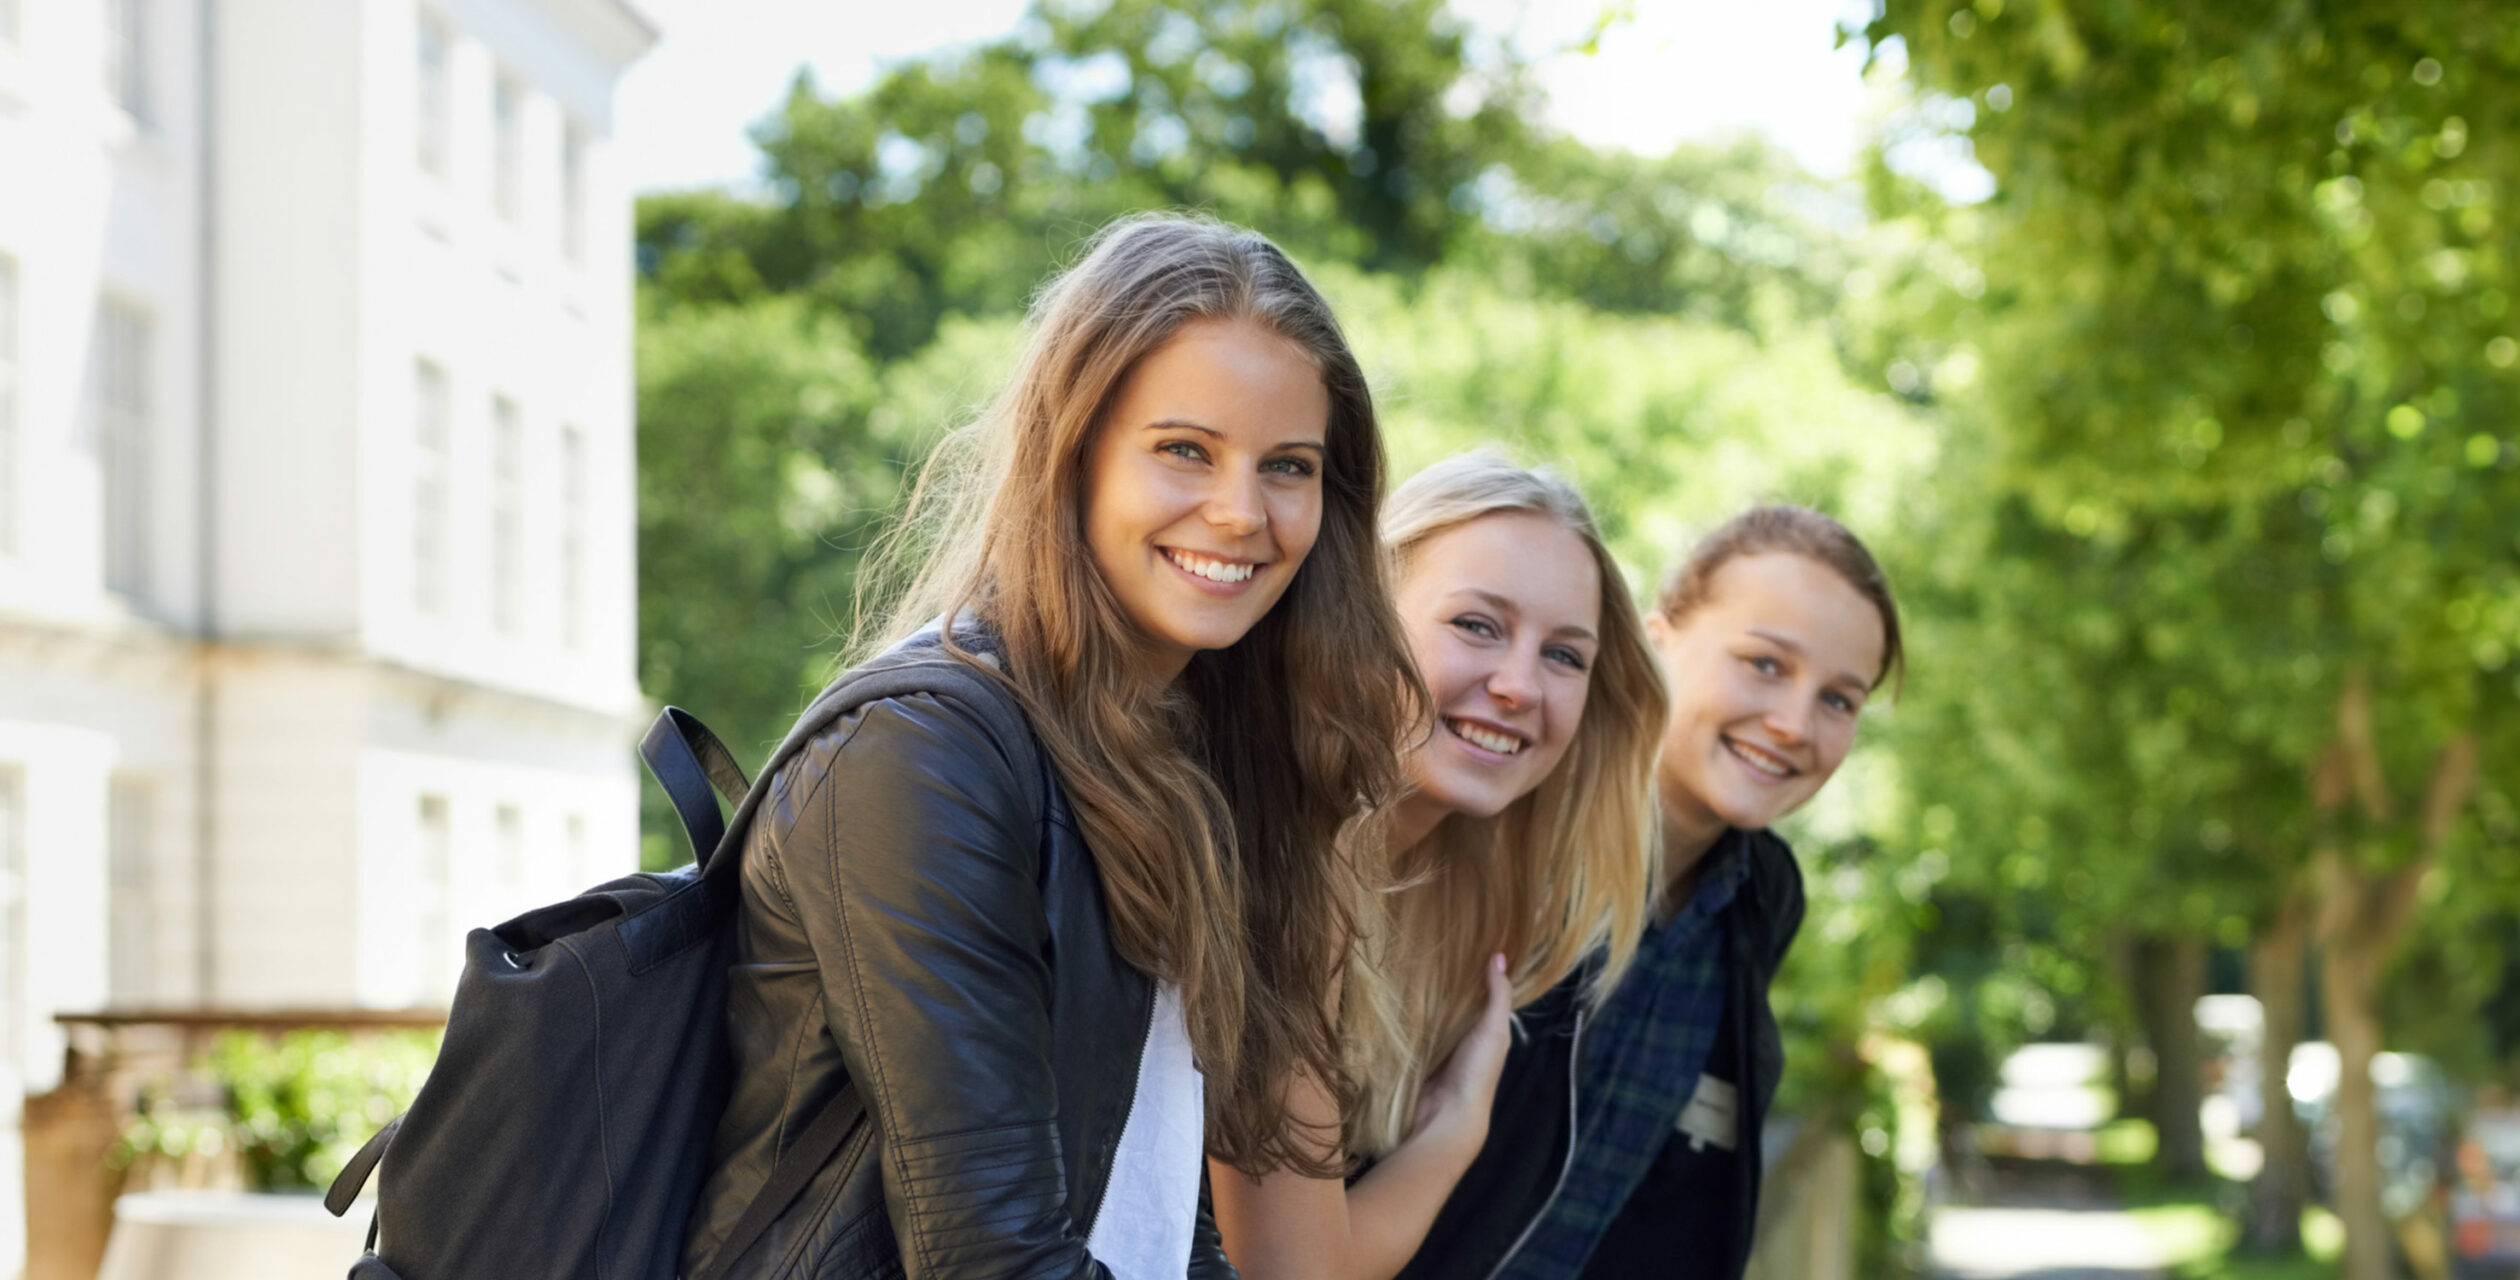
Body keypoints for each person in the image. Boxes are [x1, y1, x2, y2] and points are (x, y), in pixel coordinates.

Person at [681, 214, 1421, 1280]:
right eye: (1183, 449)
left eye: (1288, 466)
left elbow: (1155, 1211)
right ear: (1071, 449)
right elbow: (994, 1256)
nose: (1240, 511)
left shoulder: (1172, 766)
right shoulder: (926, 755)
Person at [1407, 503, 1904, 1280]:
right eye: (1765, 665)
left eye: (1839, 700)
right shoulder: (1500, 822)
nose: (1794, 723)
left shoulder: (1759, 899)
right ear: (1655, 642)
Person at [1211, 452, 1667, 1280]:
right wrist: (1456, 1130)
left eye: (1565, 656)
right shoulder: (1280, 856)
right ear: (1363, 616)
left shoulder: (1468, 899)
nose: (1520, 686)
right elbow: (1294, 1273)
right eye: (1477, 625)